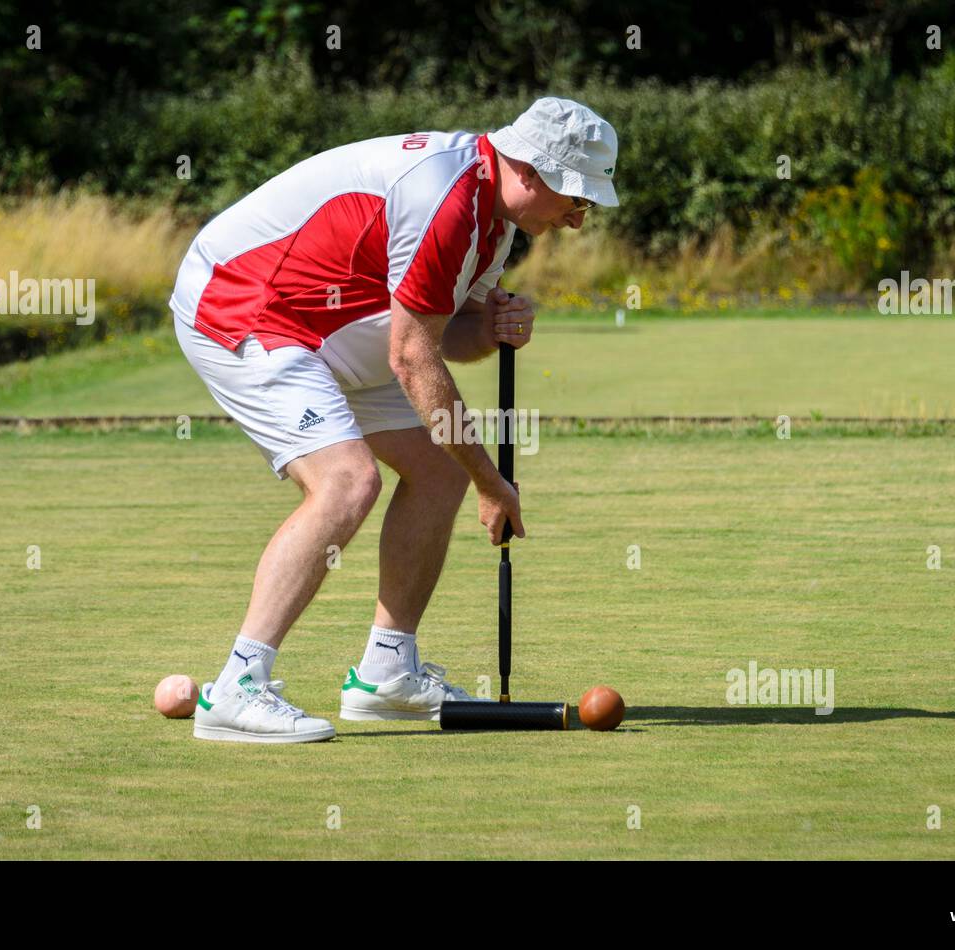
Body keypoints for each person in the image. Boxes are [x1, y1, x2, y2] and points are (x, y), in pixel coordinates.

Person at [169, 97, 620, 742]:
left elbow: (445, 337)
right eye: (573, 197)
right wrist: (494, 481)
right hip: (247, 304)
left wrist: (491, 327)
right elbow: (413, 357)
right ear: (528, 169)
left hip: (338, 325)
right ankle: (239, 687)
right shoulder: (447, 198)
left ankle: (386, 673)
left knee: (439, 471)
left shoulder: (490, 218)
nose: (577, 218)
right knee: (348, 482)